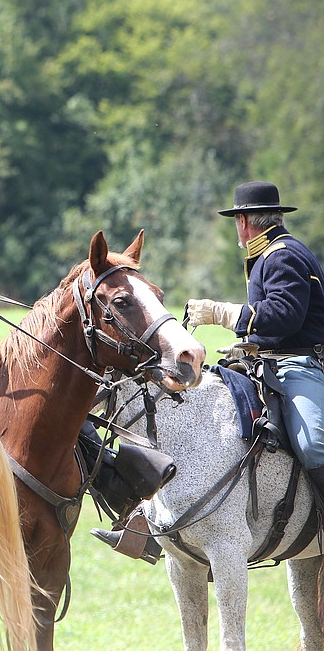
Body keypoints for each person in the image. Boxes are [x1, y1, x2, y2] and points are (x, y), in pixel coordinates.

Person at [94, 180, 324, 556]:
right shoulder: (266, 254)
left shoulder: (283, 255)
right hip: (264, 363)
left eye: (237, 221)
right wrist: (247, 342)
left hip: (299, 365)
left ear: (244, 221)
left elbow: (285, 317)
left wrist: (222, 313)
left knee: (313, 444)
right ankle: (152, 519)